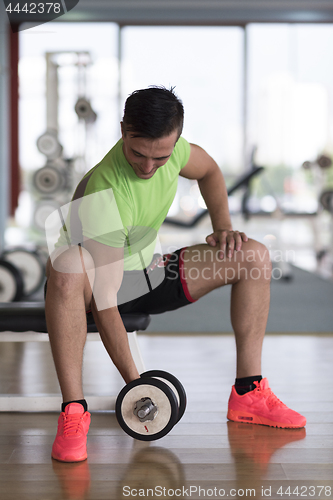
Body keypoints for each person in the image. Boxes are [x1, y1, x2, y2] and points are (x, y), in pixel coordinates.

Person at [45, 86, 306, 463]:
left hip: (142, 272)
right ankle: (74, 411)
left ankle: (249, 393)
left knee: (253, 255)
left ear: (176, 142)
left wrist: (223, 225)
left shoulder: (176, 151)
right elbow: (105, 303)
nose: (148, 166)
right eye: (138, 153)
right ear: (123, 130)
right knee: (69, 266)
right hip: (88, 290)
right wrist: (138, 387)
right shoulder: (106, 189)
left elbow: (211, 170)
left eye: (161, 157)